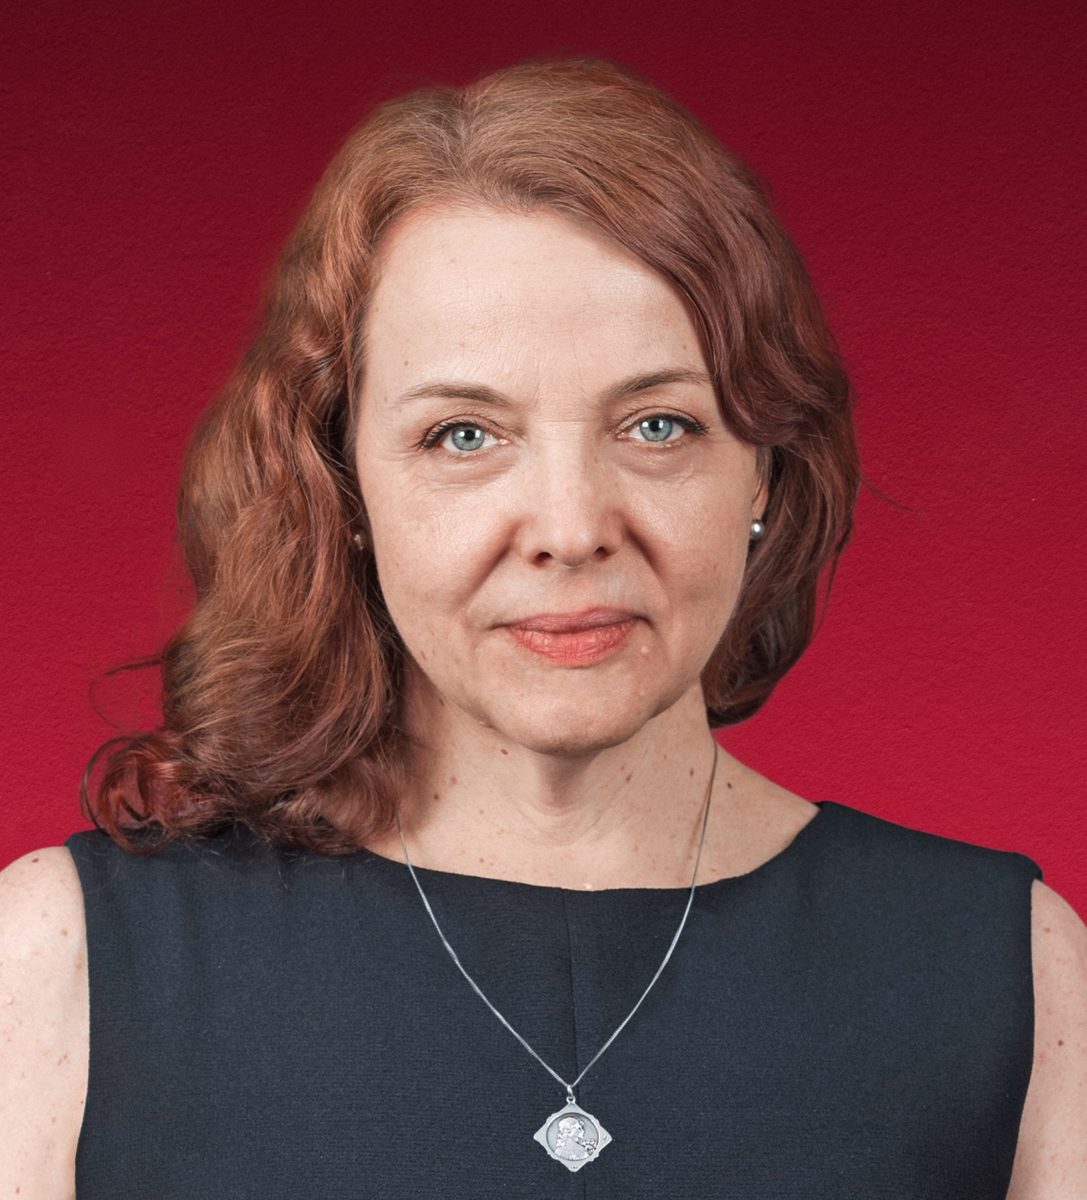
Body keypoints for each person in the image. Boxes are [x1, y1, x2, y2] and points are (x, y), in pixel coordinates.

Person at [1, 55, 1084, 1198]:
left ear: (763, 470)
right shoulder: (55, 965)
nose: (570, 530)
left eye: (657, 424)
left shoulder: (1014, 969)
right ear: (344, 485)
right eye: (464, 435)